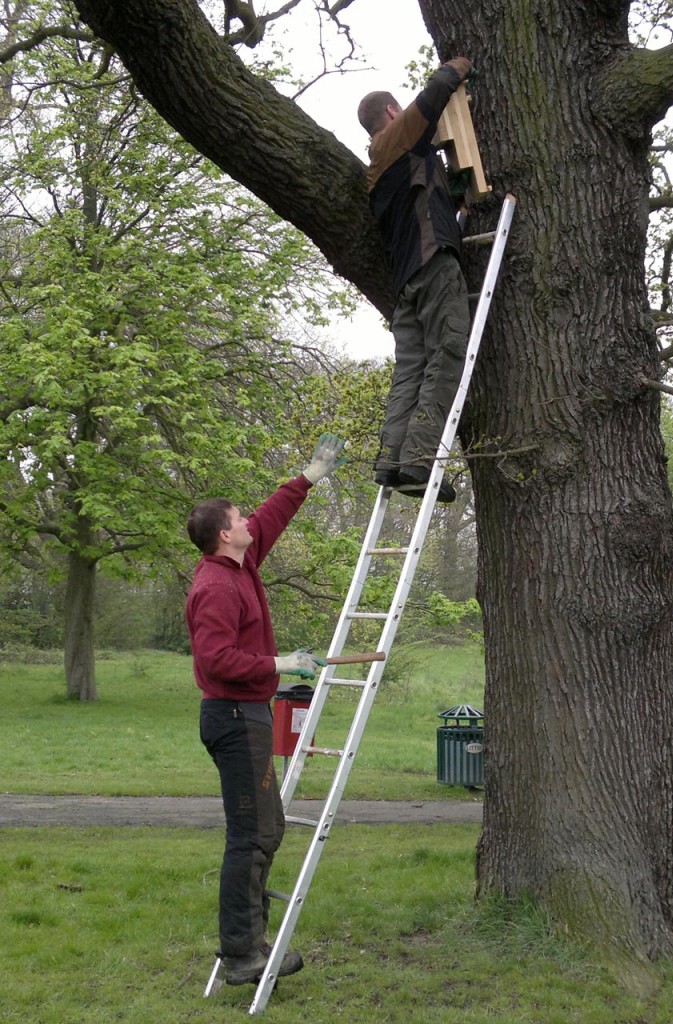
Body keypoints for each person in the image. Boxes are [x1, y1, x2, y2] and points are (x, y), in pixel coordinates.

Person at [185, 433, 346, 987]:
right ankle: (241, 954)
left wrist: (307, 478)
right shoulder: (216, 587)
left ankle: (251, 939)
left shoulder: (241, 562)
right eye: (239, 517)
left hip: (245, 715)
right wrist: (279, 662)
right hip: (233, 718)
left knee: (266, 828)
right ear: (223, 534)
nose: (249, 519)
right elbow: (216, 658)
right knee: (251, 834)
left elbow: (270, 516)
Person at [358, 57, 474, 505]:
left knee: (410, 371)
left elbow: (428, 198)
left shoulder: (383, 171)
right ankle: (420, 459)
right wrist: (458, 67)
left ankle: (392, 460)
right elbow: (435, 93)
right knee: (447, 355)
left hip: (406, 284)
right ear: (391, 113)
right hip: (432, 268)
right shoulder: (393, 139)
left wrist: (459, 199)